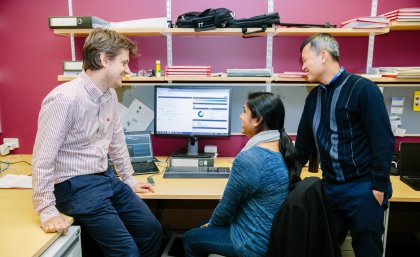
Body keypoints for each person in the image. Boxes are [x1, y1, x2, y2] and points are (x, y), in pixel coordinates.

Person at [32, 28, 162, 257]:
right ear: (104, 59)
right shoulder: (64, 99)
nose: (128, 70)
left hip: (104, 177)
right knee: (127, 252)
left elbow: (117, 141)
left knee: (152, 230)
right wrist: (47, 210)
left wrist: (129, 179)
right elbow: (43, 158)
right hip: (74, 186)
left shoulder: (109, 94)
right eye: (123, 63)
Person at [295, 33, 394, 257]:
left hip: (364, 189)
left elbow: (383, 140)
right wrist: (285, 178)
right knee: (324, 249)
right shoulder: (313, 99)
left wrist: (378, 188)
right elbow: (302, 147)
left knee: (367, 251)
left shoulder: (363, 89)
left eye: (305, 60)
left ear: (323, 56)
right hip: (330, 189)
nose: (303, 67)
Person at [183, 92, 301, 257]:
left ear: (258, 120)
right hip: (270, 234)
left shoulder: (250, 159)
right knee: (203, 224)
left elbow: (226, 209)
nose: (240, 116)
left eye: (244, 111)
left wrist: (212, 225)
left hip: (252, 242)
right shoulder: (281, 147)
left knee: (190, 239)